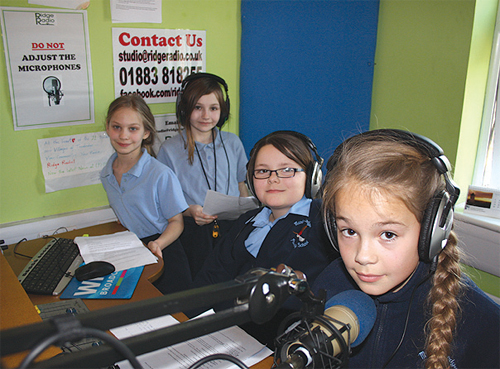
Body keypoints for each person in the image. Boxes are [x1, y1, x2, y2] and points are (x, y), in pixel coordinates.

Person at [312, 129, 500, 368]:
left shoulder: (483, 324)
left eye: (388, 234)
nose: (363, 256)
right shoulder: (329, 283)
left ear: (432, 232)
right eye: (349, 231)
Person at [191, 130, 339, 346]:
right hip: (220, 335)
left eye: (287, 170)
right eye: (263, 171)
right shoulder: (246, 222)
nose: (273, 179)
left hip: (278, 346)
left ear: (312, 177)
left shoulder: (323, 222)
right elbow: (210, 277)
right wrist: (188, 323)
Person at [157, 72, 248, 278]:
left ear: (223, 111)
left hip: (232, 230)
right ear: (185, 109)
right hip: (194, 234)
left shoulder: (233, 142)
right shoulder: (169, 150)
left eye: (213, 108)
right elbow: (165, 201)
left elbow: (241, 184)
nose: (206, 116)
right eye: (198, 108)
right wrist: (190, 211)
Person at [100, 94, 191, 294]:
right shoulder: (106, 173)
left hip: (163, 250)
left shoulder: (160, 174)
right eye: (117, 127)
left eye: (133, 129)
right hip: (132, 250)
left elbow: (177, 222)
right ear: (107, 127)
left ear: (146, 133)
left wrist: (158, 244)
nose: (123, 136)